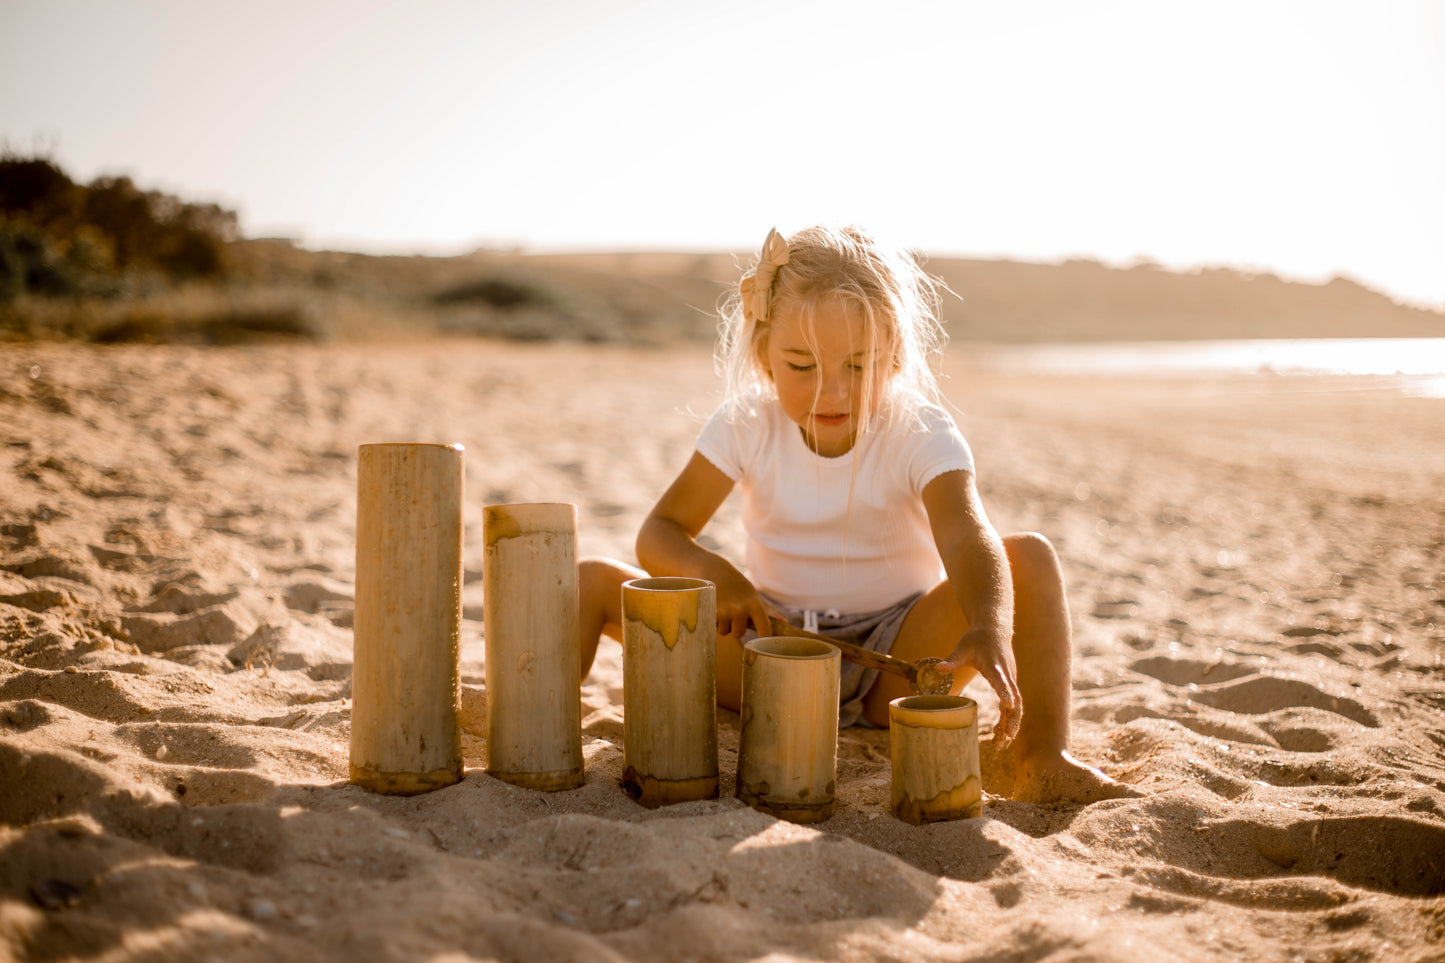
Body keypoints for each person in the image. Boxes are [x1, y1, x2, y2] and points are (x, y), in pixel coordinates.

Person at [579, 225, 1136, 806]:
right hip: (768, 650)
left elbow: (968, 535)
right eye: (801, 365)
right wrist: (725, 581)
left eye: (859, 366)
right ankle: (549, 725)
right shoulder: (745, 423)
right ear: (763, 353)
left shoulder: (918, 430)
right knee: (594, 577)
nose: (831, 392)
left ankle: (1043, 757)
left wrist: (989, 624)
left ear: (895, 357)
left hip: (898, 663)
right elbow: (660, 532)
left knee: (1031, 556)